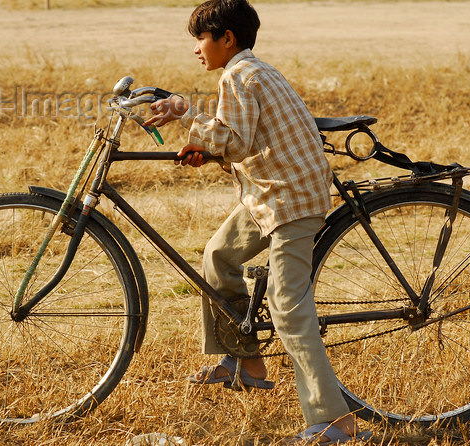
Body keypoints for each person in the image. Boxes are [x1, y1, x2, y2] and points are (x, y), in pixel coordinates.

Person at [145, 0, 372, 443]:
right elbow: (241, 143)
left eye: (201, 39)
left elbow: (235, 140)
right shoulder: (254, 70)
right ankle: (244, 361)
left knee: (288, 310)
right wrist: (207, 148)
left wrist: (185, 113)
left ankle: (335, 423)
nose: (196, 49)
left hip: (290, 200)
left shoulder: (238, 75)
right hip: (268, 194)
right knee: (217, 257)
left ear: (226, 39)